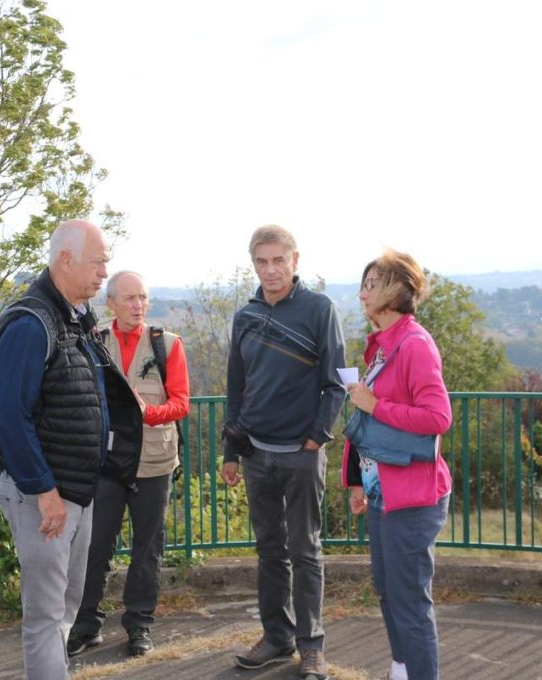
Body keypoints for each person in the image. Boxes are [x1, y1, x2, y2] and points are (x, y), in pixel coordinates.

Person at [0, 219, 143, 680]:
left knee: (67, 606)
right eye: (98, 263)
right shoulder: (30, 324)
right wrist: (44, 491)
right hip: (45, 496)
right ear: (65, 260)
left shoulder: (73, 318)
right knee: (44, 617)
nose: (104, 272)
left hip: (75, 490)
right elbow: (11, 418)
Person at [221, 225, 346, 680]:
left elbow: (335, 383)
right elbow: (237, 388)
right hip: (255, 453)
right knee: (270, 551)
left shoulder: (319, 309)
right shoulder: (245, 316)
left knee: (306, 551)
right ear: (253, 264)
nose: (270, 270)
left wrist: (316, 438)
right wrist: (231, 451)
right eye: (262, 262)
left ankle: (311, 647)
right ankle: (277, 637)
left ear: (295, 260)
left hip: (301, 453)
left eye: (279, 260)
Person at [68, 270, 191, 658]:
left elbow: (182, 403)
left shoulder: (167, 345)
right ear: (111, 304)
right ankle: (86, 625)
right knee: (94, 546)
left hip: (154, 462)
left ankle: (139, 626)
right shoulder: (93, 342)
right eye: (130, 298)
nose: (139, 305)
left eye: (143, 298)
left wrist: (148, 412)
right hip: (107, 462)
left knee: (147, 549)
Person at [342, 249, 452, 680]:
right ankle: (401, 669)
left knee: (409, 601)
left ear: (395, 289)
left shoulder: (415, 344)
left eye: (371, 285)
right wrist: (356, 481)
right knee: (389, 593)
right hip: (382, 492)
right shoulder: (385, 346)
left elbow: (438, 418)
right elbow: (367, 423)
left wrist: (376, 403)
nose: (361, 294)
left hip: (413, 497)